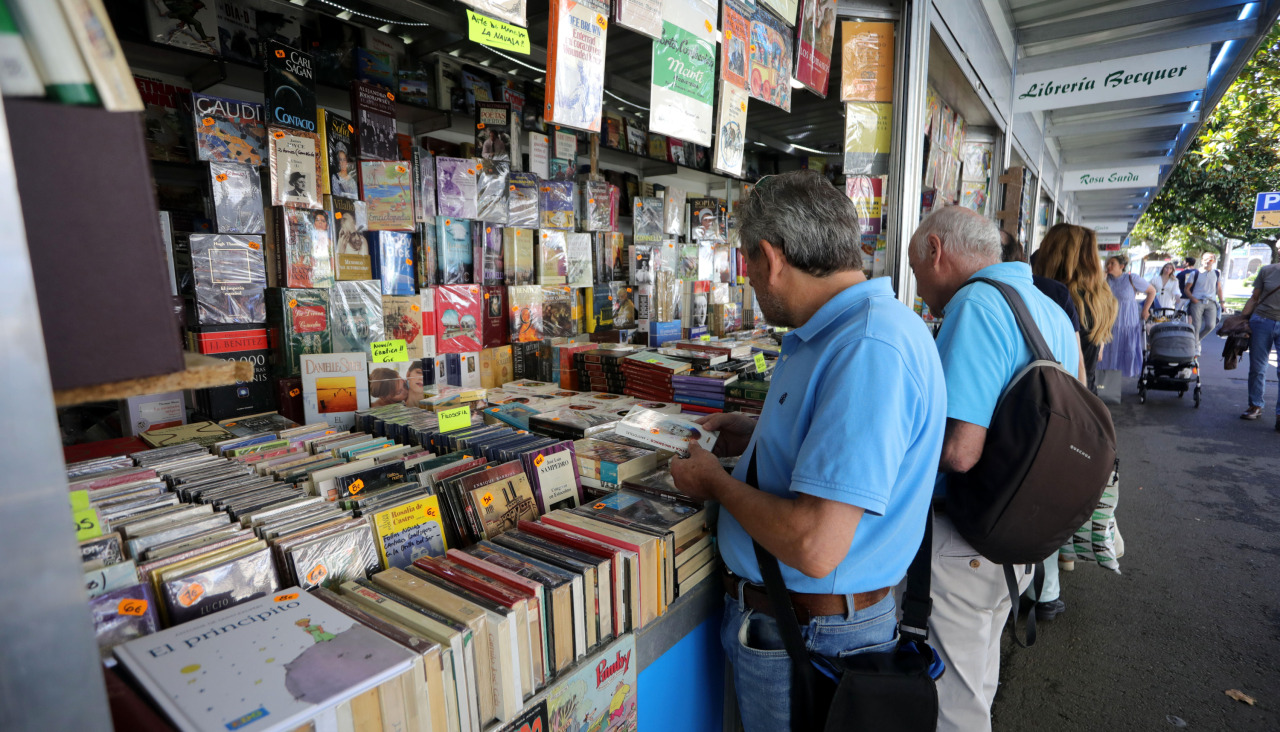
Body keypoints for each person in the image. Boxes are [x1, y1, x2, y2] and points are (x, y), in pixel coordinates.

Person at [668, 170, 946, 732]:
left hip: (812, 635)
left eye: (747, 266)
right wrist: (759, 432)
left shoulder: (868, 348)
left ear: (771, 257)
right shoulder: (841, 331)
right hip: (798, 624)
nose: (750, 282)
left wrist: (716, 484)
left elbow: (816, 545)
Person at [908, 206, 1078, 732]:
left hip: (968, 539)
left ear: (936, 251)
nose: (919, 289)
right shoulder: (1044, 305)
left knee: (950, 704)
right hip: (1019, 531)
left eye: (916, 272)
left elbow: (959, 451)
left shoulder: (977, 304)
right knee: (976, 678)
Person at [1002, 231, 1082, 619]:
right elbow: (1080, 366)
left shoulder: (998, 298)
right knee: (1045, 500)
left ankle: (1032, 590)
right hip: (1066, 408)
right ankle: (1046, 592)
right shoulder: (1063, 297)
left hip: (1033, 410)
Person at [1032, 224, 1119, 393]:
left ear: (1053, 254)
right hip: (1086, 395)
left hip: (1054, 397)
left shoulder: (1057, 298)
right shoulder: (1101, 298)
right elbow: (1098, 354)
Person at [1100, 255, 1155, 378]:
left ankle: (1118, 381)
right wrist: (1101, 279)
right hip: (1110, 323)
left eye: (1112, 263)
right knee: (1108, 354)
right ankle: (1107, 384)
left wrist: (1145, 309)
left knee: (1126, 349)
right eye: (1107, 264)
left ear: (1121, 266)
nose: (1108, 266)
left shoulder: (1131, 278)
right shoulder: (1105, 279)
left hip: (1128, 322)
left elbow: (1152, 291)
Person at [1239, 261, 1280, 429]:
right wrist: (1242, 321)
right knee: (1257, 367)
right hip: (1262, 320)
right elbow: (1255, 297)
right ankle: (1255, 405)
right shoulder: (1267, 270)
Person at [1184, 252, 1224, 347]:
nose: (1208, 262)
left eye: (1210, 260)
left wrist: (1222, 302)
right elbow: (1186, 289)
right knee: (1196, 326)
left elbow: (1219, 289)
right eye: (1206, 259)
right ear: (1202, 261)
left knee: (1211, 325)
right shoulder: (1195, 273)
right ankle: (1194, 348)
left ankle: (1195, 343)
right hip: (1197, 302)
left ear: (1214, 261)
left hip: (1211, 302)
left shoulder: (1216, 273)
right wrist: (1193, 299)